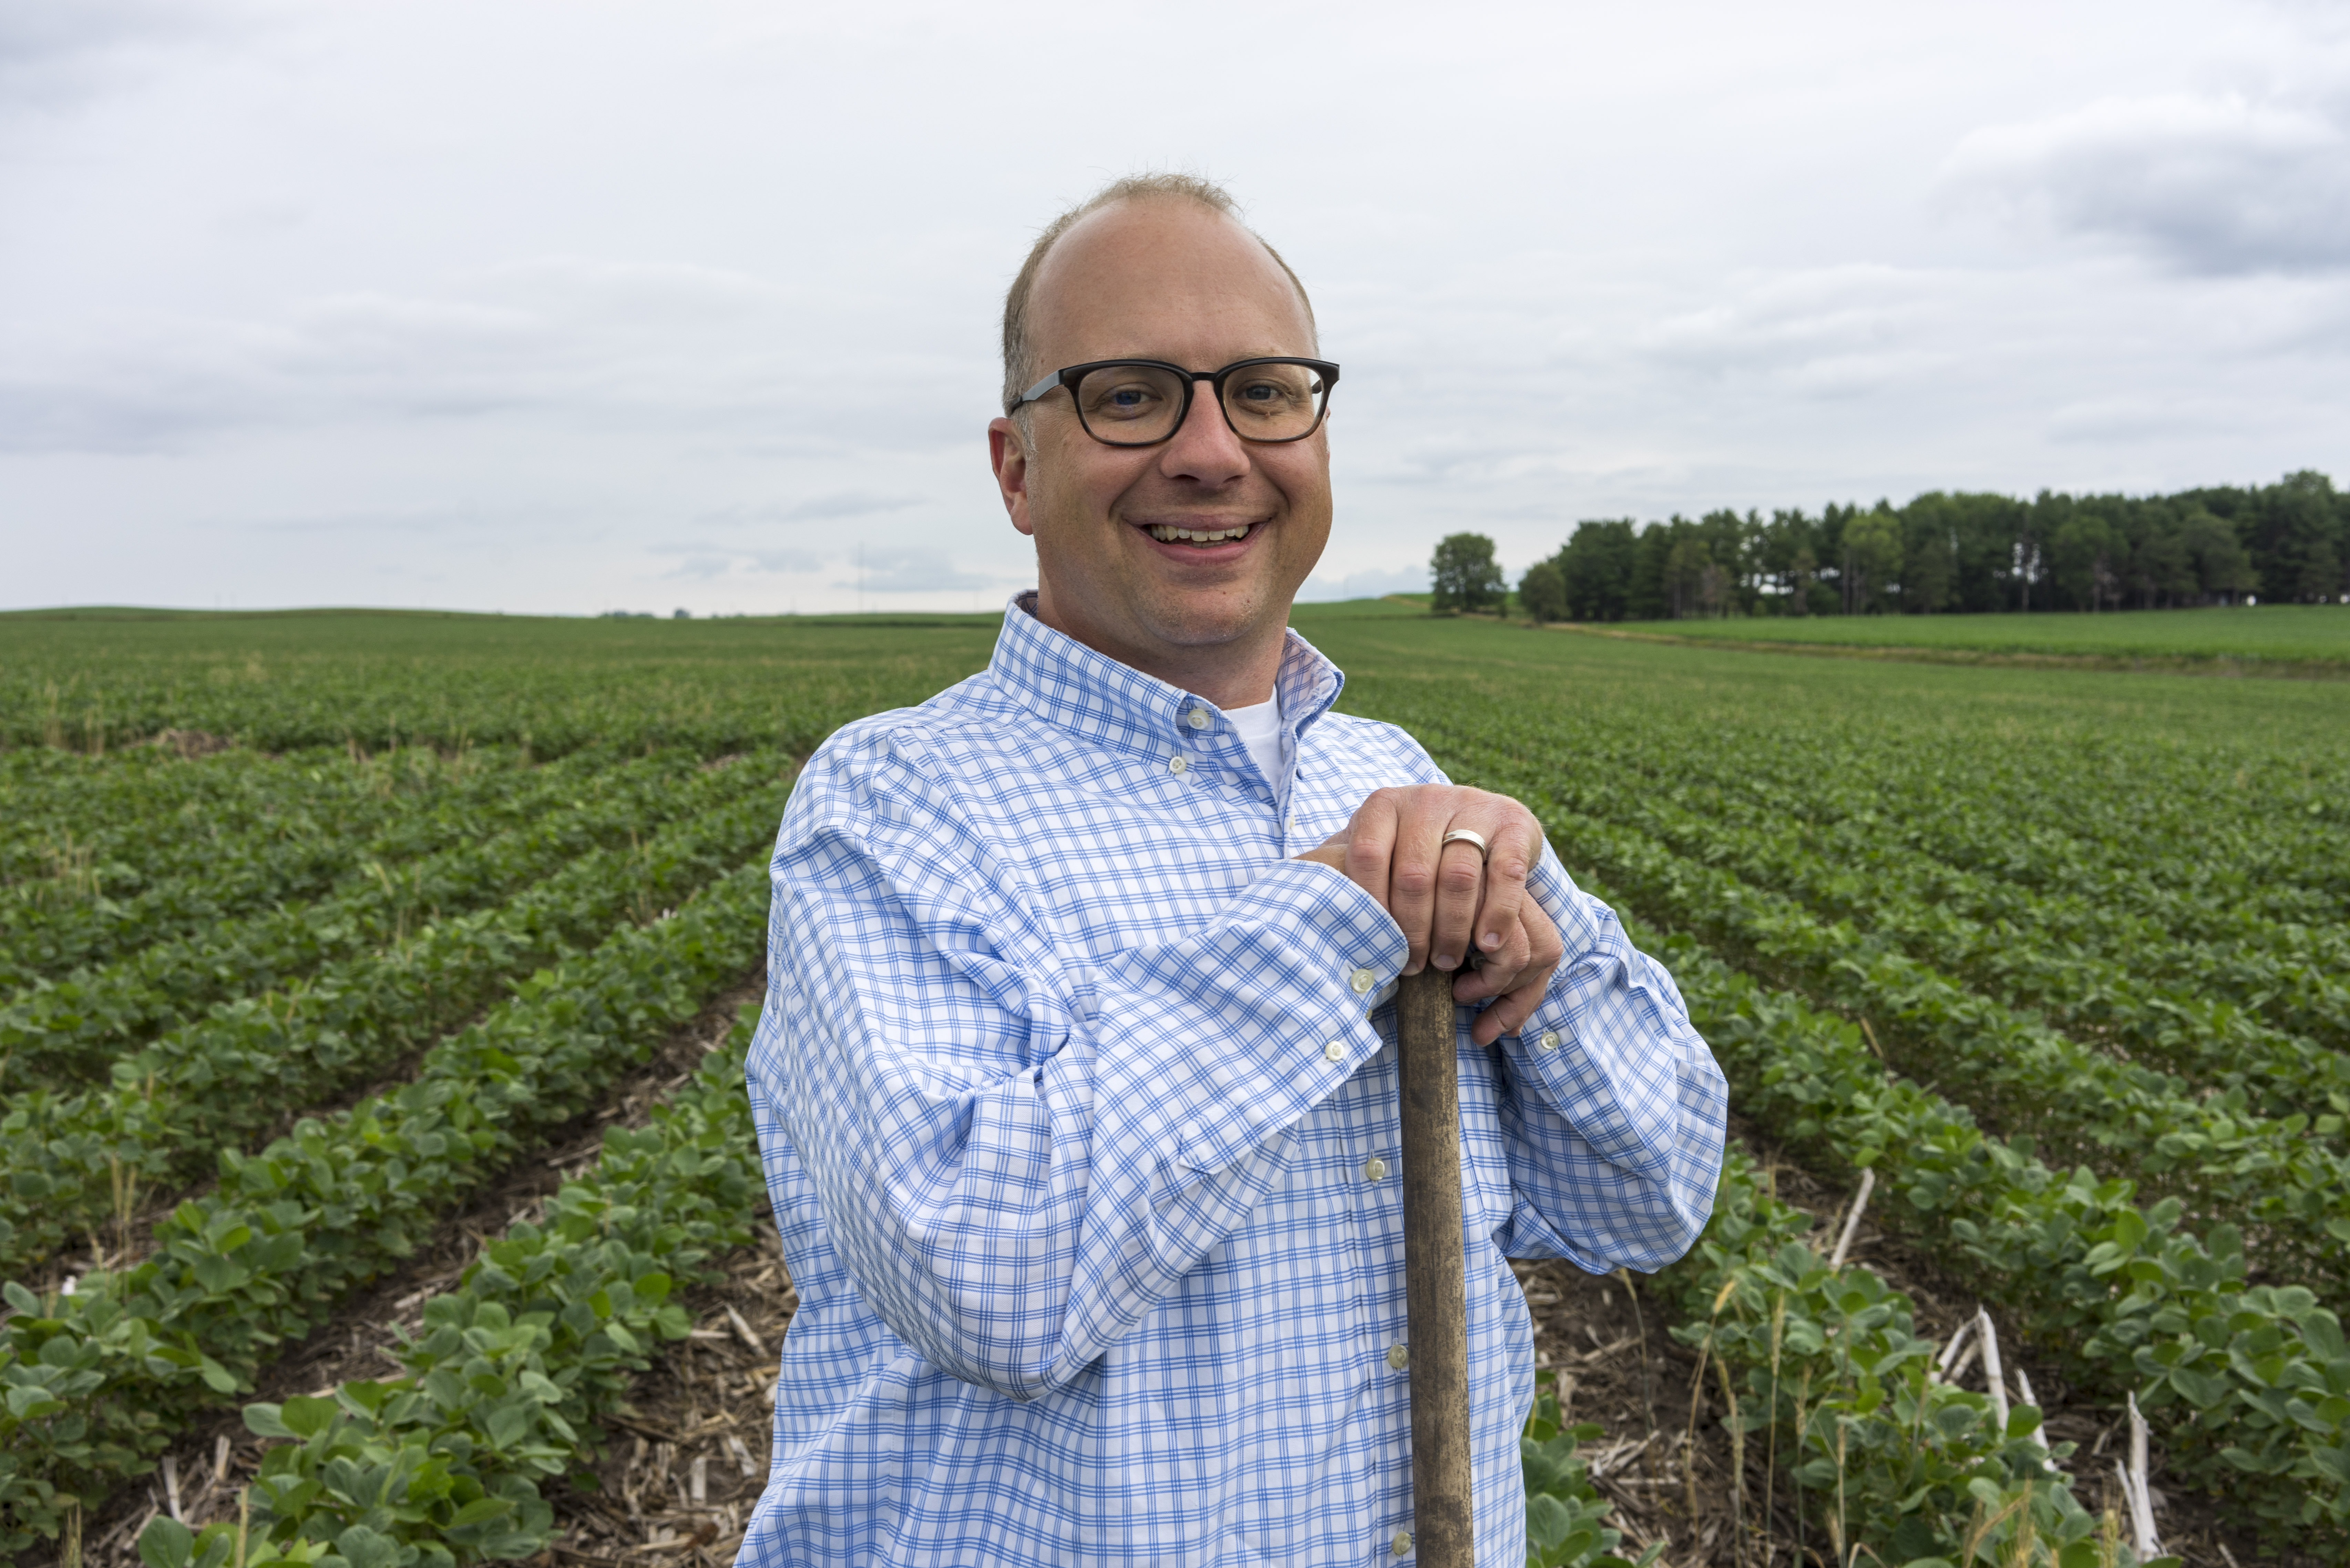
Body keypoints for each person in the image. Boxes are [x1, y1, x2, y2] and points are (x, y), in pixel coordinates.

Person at [738, 173, 1727, 1567]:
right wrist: (1331, 924)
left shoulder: (1392, 777)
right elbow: (988, 1277)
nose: (1211, 451)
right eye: (1130, 395)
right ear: (1016, 466)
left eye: (1264, 391)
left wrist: (1534, 936)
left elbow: (1653, 1201)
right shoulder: (892, 805)